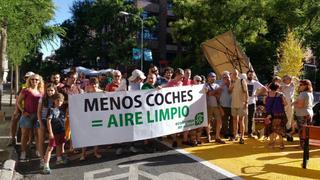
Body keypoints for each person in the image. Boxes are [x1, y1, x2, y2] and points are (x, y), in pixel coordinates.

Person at [17, 74, 44, 161]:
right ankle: (23, 152)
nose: (34, 81)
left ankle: (38, 150)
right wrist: (23, 111)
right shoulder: (26, 90)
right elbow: (18, 102)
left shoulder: (42, 91)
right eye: (32, 79)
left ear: (39, 81)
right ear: (29, 80)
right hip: (27, 115)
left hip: (38, 115)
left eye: (36, 79)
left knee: (37, 134)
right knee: (25, 135)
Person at [43, 93, 67, 174]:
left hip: (61, 131)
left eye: (61, 101)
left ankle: (59, 159)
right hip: (54, 132)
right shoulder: (51, 110)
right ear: (54, 100)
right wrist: (50, 133)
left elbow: (64, 120)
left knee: (59, 145)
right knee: (50, 148)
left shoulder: (62, 110)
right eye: (57, 101)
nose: (59, 102)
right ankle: (46, 165)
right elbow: (48, 121)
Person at [8, 71, 35, 146]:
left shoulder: (37, 87)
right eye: (26, 77)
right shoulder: (22, 87)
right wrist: (17, 110)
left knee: (31, 125)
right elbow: (17, 99)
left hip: (32, 110)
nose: (28, 79)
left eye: (29, 77)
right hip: (21, 108)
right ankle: (13, 139)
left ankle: (30, 141)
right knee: (14, 120)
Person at [80, 77, 102, 160]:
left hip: (97, 117)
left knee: (96, 135)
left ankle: (95, 152)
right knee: (85, 135)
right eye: (92, 84)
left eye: (95, 84)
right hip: (87, 117)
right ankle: (83, 154)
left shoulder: (101, 92)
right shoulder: (86, 93)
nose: (93, 86)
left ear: (98, 84)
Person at [37, 83, 57, 167]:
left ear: (55, 90)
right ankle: (42, 159)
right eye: (48, 90)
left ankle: (47, 157)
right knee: (41, 140)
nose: (50, 92)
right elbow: (38, 111)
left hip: (53, 122)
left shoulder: (56, 98)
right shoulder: (43, 98)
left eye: (51, 90)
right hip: (43, 120)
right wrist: (41, 123)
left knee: (52, 140)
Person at [264, 82, 287, 149]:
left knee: (271, 129)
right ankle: (281, 144)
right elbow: (285, 103)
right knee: (279, 129)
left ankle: (271, 144)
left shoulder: (267, 94)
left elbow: (264, 102)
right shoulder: (281, 95)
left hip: (269, 114)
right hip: (279, 114)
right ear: (277, 88)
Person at [246, 70, 267, 138]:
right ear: (247, 75)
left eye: (252, 75)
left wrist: (257, 94)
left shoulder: (255, 82)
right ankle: (241, 132)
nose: (251, 76)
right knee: (242, 118)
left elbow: (264, 88)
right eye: (249, 74)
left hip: (252, 102)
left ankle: (250, 133)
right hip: (243, 102)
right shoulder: (243, 81)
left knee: (251, 118)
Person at [205, 72, 225, 144]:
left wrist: (213, 92)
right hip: (208, 106)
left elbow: (218, 95)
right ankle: (208, 136)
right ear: (208, 78)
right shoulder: (205, 85)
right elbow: (209, 94)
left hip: (217, 106)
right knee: (208, 121)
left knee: (219, 121)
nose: (213, 78)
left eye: (214, 77)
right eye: (212, 76)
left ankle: (217, 136)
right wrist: (215, 92)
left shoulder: (217, 85)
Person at [166, 68, 184, 147]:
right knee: (173, 122)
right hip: (172, 106)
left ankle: (174, 137)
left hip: (179, 106)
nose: (182, 78)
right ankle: (174, 139)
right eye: (181, 76)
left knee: (177, 123)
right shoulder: (171, 83)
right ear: (177, 75)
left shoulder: (181, 83)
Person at [293, 79, 314, 148]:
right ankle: (306, 144)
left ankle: (302, 146)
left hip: (302, 114)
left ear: (306, 86)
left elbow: (300, 105)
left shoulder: (303, 94)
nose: (299, 86)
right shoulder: (310, 93)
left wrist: (293, 104)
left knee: (302, 130)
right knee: (307, 130)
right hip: (309, 113)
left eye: (301, 85)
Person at [229, 70, 248, 144]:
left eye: (234, 74)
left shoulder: (242, 81)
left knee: (241, 120)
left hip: (241, 104)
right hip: (234, 104)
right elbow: (229, 91)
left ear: (236, 74)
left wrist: (246, 102)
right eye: (232, 74)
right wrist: (232, 84)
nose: (233, 75)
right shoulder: (232, 82)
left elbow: (246, 92)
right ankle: (235, 135)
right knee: (234, 120)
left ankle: (242, 136)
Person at [280, 75, 295, 139]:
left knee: (290, 116)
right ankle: (283, 130)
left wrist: (293, 79)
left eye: (288, 79)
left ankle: (288, 130)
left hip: (290, 103)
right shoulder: (282, 85)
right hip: (284, 103)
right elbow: (281, 89)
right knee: (283, 116)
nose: (286, 80)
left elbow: (297, 81)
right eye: (285, 79)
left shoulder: (292, 85)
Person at [219, 71, 233, 139]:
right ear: (221, 77)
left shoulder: (232, 83)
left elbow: (230, 91)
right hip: (223, 105)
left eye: (227, 76)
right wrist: (222, 84)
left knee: (232, 121)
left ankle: (231, 133)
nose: (225, 78)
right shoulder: (219, 84)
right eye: (224, 76)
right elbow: (217, 94)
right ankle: (225, 133)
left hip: (232, 105)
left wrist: (229, 83)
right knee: (225, 121)